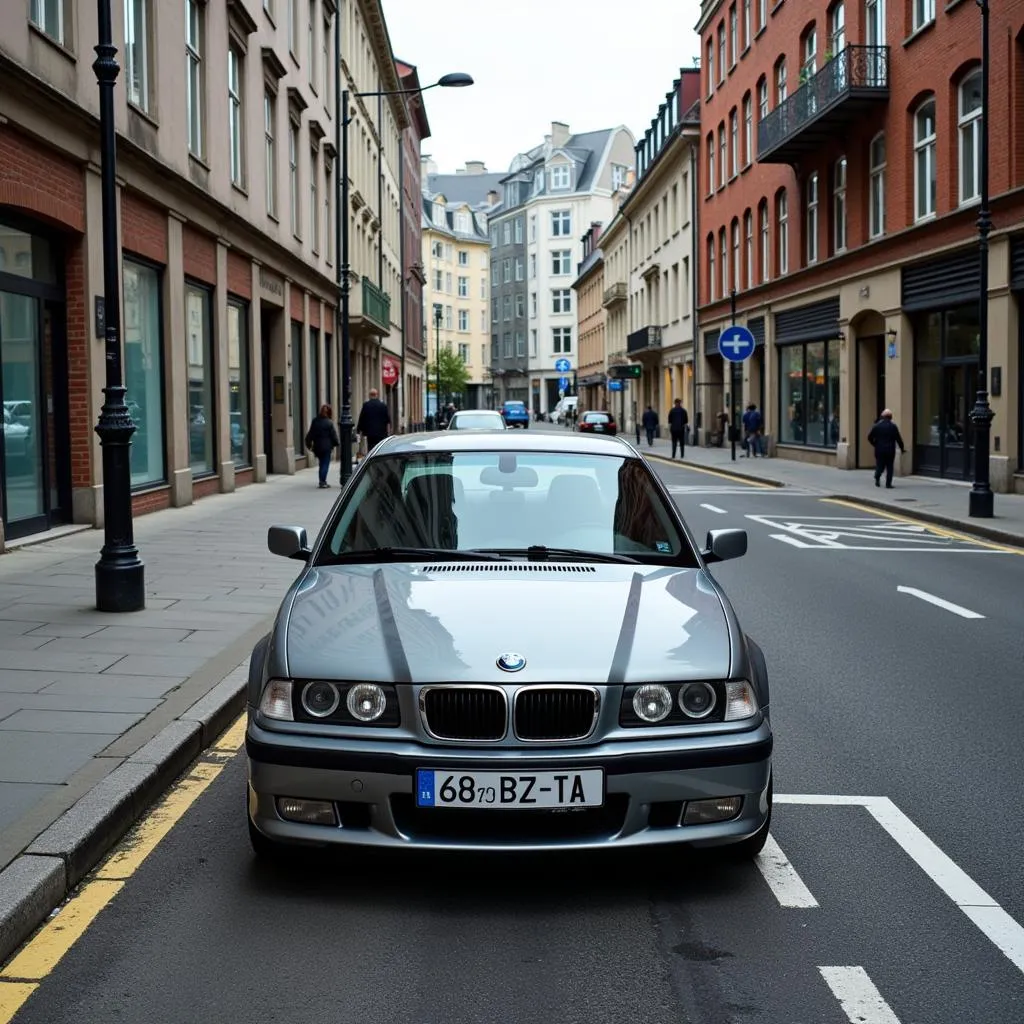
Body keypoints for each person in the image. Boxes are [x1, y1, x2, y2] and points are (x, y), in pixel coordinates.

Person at [868, 408, 906, 488]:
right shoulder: (893, 427)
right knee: (889, 466)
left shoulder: (877, 426)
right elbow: (898, 439)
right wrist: (902, 448)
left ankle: (877, 476)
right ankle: (888, 484)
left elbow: (869, 437)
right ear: (891, 417)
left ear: (882, 416)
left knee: (879, 465)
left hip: (879, 449)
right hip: (890, 450)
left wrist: (875, 444)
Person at [305, 403, 339, 488]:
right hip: (327, 446)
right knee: (325, 464)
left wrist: (308, 445)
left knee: (321, 463)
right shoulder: (329, 422)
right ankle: (323, 482)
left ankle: (321, 480)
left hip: (318, 446)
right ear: (329, 413)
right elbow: (333, 435)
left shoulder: (315, 421)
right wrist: (336, 443)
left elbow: (310, 434)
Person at [357, 387, 391, 453]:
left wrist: (358, 430)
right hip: (381, 433)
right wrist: (388, 433)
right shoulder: (383, 405)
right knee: (380, 448)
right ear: (377, 395)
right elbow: (388, 420)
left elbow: (362, 419)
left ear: (369, 395)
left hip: (370, 433)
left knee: (371, 448)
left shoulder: (366, 405)